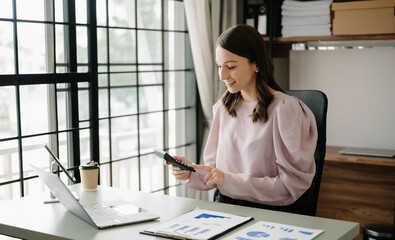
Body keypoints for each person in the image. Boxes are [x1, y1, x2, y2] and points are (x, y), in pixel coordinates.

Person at [170, 24, 318, 212]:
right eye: (219, 66)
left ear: (255, 63)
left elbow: (290, 187)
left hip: (269, 214)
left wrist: (229, 181)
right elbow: (215, 172)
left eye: (231, 66)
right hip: (226, 208)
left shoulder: (285, 109)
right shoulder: (223, 108)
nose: (222, 75)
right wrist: (190, 172)